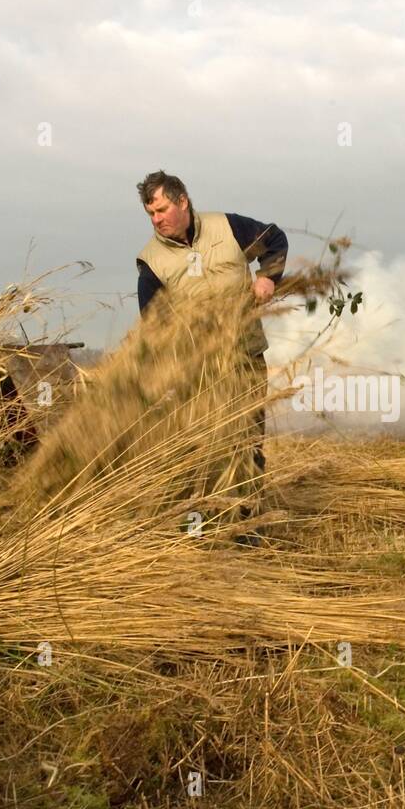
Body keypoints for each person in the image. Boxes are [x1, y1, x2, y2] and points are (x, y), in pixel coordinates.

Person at [135, 170, 287, 542]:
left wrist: (268, 277)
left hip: (245, 358)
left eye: (162, 209)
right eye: (151, 214)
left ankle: (247, 528)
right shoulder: (151, 262)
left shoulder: (229, 228)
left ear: (182, 201)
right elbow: (154, 326)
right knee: (201, 447)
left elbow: (275, 240)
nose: (157, 219)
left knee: (248, 443)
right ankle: (196, 532)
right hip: (197, 370)